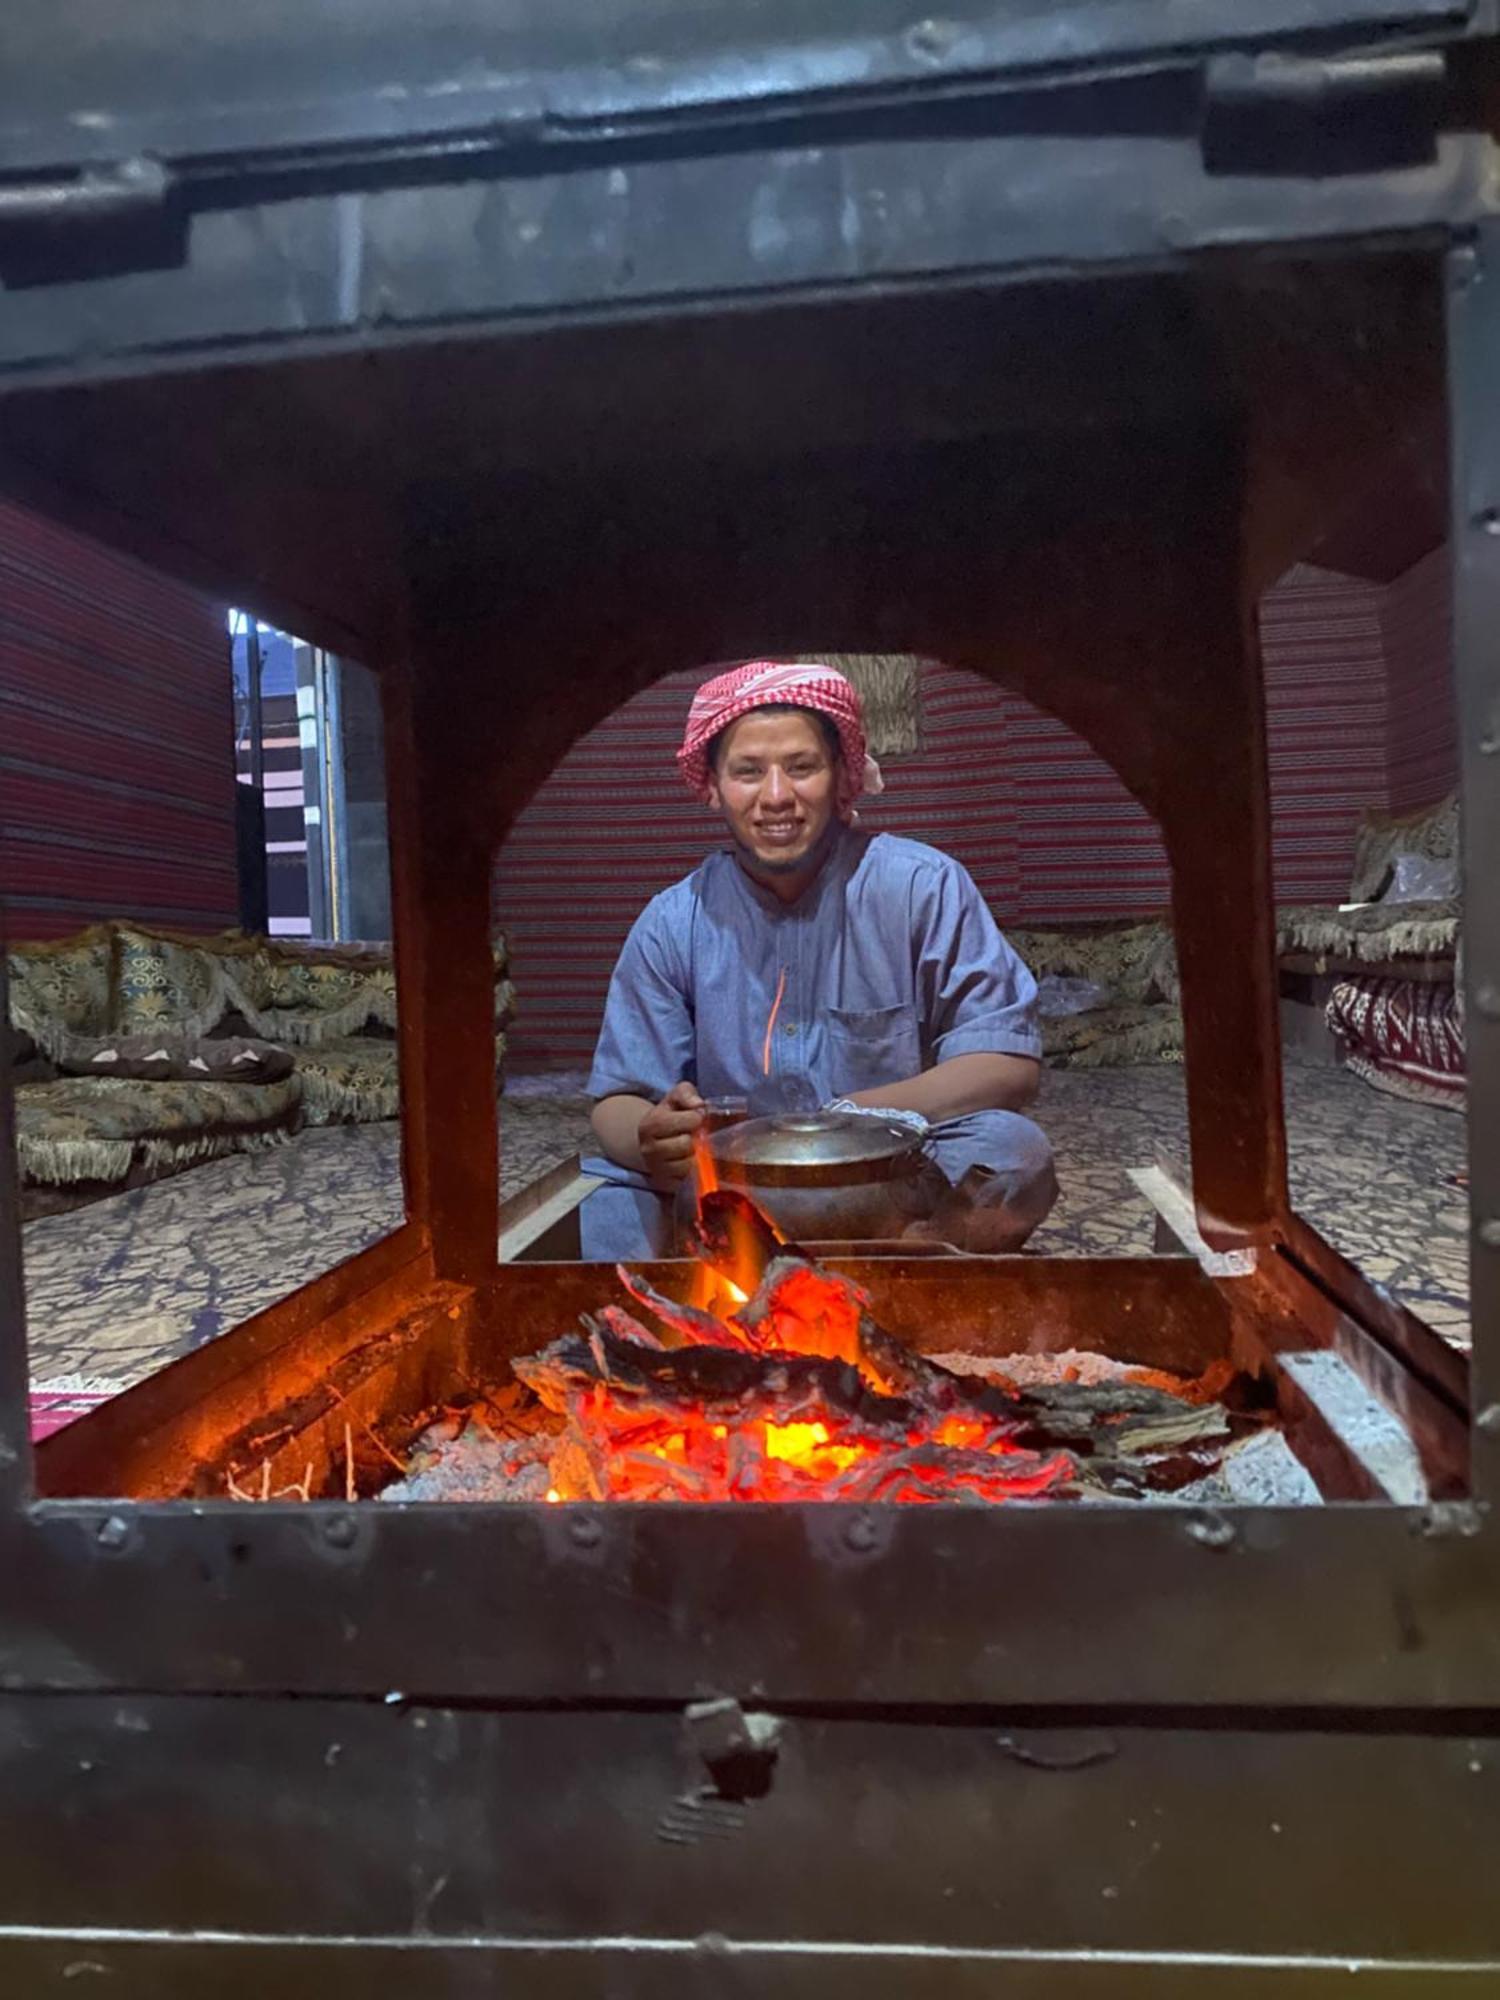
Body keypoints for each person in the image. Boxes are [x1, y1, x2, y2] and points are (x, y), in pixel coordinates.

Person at [579, 660, 1057, 1259]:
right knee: (606, 1194)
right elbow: (617, 1102)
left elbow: (1007, 1064)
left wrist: (843, 1122)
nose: (776, 797)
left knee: (1013, 1152)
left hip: (882, 1179)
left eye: (801, 768)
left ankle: (893, 1282)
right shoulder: (674, 921)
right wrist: (652, 1139)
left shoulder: (921, 887)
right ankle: (706, 1316)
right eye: (748, 772)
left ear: (841, 775)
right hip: (730, 1188)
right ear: (713, 786)